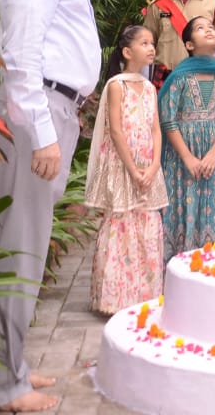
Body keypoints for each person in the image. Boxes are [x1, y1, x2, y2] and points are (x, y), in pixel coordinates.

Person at [0, 0, 102, 413]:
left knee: (24, 247)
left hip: (55, 110)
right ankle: (3, 386)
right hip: (36, 115)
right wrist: (41, 135)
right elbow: (20, 53)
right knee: (17, 250)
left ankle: (14, 370)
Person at [84, 25, 168, 313]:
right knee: (121, 223)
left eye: (152, 42)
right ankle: (114, 299)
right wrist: (132, 169)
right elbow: (116, 131)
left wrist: (155, 164)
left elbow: (156, 129)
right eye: (144, 42)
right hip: (124, 165)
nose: (151, 47)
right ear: (127, 51)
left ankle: (144, 296)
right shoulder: (116, 86)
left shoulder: (149, 88)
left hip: (148, 166)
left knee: (148, 224)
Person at [159, 15, 215, 257]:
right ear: (189, 45)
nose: (209, 30)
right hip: (181, 159)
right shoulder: (178, 77)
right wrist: (188, 157)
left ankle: (212, 269)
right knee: (182, 209)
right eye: (200, 28)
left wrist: (213, 153)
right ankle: (179, 272)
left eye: (211, 27)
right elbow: (168, 119)